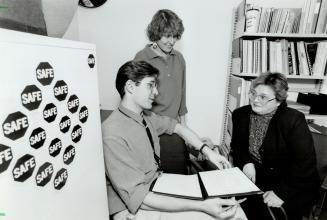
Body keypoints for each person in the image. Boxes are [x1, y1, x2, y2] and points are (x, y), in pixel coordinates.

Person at [102, 60, 247, 220]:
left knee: (232, 208)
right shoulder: (112, 132)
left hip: (154, 183)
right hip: (131, 208)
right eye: (150, 85)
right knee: (221, 214)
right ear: (130, 87)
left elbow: (177, 127)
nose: (156, 92)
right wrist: (202, 205)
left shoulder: (145, 116)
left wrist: (208, 152)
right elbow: (140, 199)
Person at [230, 72, 319, 220]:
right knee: (230, 205)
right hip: (258, 177)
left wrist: (281, 193)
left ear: (278, 101)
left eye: (263, 97)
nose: (255, 100)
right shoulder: (240, 114)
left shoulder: (293, 120)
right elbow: (237, 145)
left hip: (292, 183)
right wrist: (246, 162)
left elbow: (305, 166)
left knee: (264, 215)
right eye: (253, 93)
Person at [134, 9, 191, 174]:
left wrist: (184, 128)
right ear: (156, 33)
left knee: (179, 174)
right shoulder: (141, 58)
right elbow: (134, 99)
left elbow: (182, 92)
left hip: (174, 127)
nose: (171, 41)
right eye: (167, 36)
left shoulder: (179, 58)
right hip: (151, 126)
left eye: (175, 36)